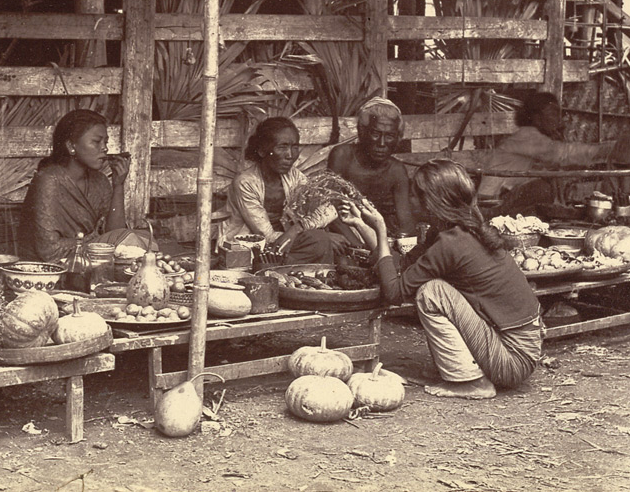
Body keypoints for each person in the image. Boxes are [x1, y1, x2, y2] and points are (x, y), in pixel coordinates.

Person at [341, 158, 542, 400]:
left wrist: (382, 230)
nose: (408, 200)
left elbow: (394, 292)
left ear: (430, 203)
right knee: (432, 288)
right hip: (514, 348)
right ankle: (465, 372)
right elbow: (402, 266)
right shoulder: (452, 232)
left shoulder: (451, 243)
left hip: (514, 359)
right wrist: (362, 226)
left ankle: (473, 383)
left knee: (432, 292)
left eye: (413, 195)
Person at [18, 110, 153, 266]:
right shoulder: (48, 181)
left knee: (145, 240)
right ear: (71, 146)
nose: (104, 148)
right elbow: (49, 250)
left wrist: (118, 185)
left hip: (90, 261)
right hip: (47, 269)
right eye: (96, 142)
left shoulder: (100, 181)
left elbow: (116, 234)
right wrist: (97, 240)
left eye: (106, 142)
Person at [219, 117, 339, 264]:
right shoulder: (245, 183)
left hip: (284, 242)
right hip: (245, 247)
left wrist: (299, 228)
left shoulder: (294, 176)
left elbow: (329, 209)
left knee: (323, 243)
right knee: (319, 241)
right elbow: (265, 236)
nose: (290, 155)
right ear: (262, 151)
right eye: (282, 147)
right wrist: (306, 234)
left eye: (295, 147)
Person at [477, 91, 614, 215]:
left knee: (546, 185)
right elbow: (562, 154)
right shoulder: (527, 135)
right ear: (536, 118)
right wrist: (605, 150)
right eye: (552, 113)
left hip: (500, 198)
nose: (558, 119)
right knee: (542, 188)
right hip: (491, 203)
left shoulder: (536, 137)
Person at [327, 97, 415, 236]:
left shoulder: (396, 171)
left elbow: (406, 223)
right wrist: (359, 245)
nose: (381, 143)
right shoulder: (342, 156)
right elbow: (329, 210)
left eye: (390, 136)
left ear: (397, 138)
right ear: (362, 132)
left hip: (379, 235)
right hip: (345, 234)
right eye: (375, 134)